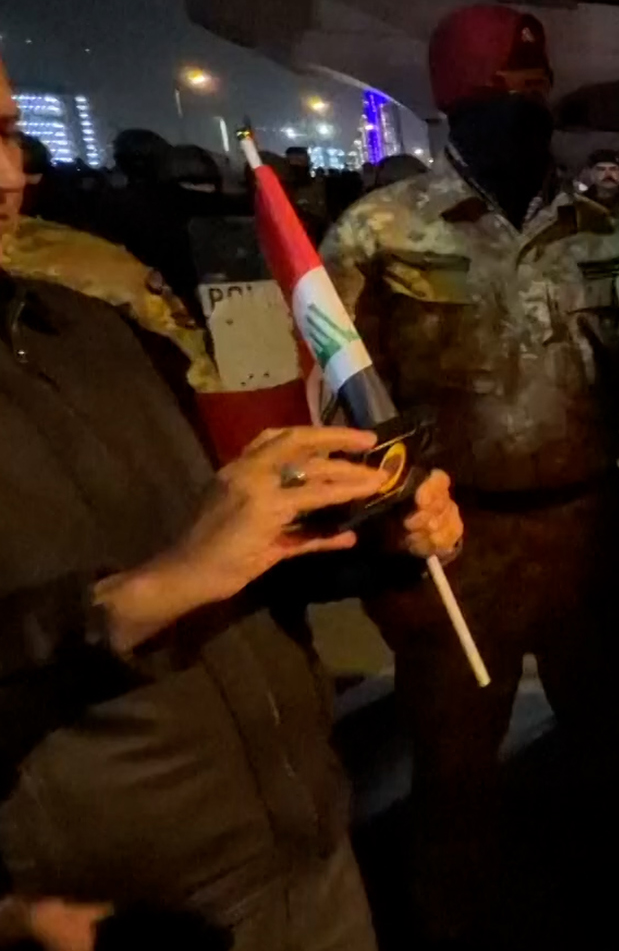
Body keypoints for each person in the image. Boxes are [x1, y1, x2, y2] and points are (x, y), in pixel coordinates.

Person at [0, 49, 464, 951]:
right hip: (118, 914)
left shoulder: (86, 326)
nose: (10, 175)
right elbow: (172, 577)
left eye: (10, 131)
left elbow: (227, 557)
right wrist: (135, 602)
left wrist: (368, 533)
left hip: (302, 856)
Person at [321, 4, 619, 951]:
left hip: (587, 535)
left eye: (530, 93)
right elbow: (340, 403)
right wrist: (388, 530)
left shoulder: (608, 228)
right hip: (458, 544)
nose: (518, 112)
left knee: (608, 760)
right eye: (492, 96)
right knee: (458, 775)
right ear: (449, 107)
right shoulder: (378, 235)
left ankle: (612, 915)